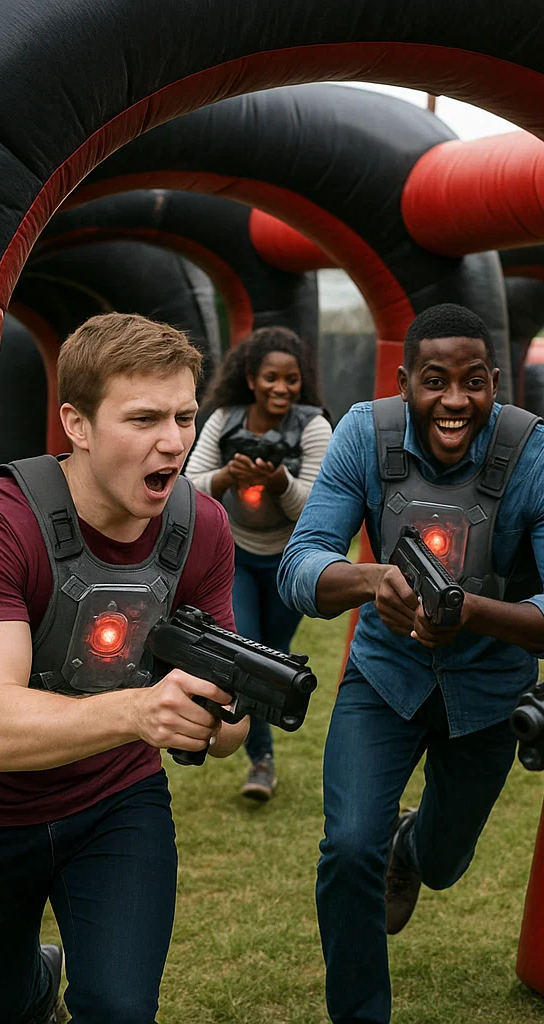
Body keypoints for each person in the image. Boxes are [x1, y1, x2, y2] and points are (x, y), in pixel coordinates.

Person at [278, 302, 544, 1024]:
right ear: (404, 383)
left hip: (490, 694)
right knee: (347, 849)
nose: (454, 400)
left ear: (496, 381)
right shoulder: (362, 437)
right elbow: (299, 569)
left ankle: (414, 843)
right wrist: (370, 582)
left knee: (446, 862)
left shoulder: (540, 456)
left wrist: (474, 611)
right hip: (382, 681)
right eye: (434, 380)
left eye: (472, 382)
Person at [0, 312, 249, 1024]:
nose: (174, 441)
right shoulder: (1, 524)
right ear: (77, 423)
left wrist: (222, 719)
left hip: (115, 801)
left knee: (120, 1009)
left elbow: (227, 725)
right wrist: (138, 711)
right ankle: (33, 983)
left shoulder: (202, 528)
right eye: (144, 418)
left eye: (186, 416)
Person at [186, 326, 331, 801]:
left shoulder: (314, 425)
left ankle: (264, 731)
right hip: (237, 556)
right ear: (251, 378)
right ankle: (261, 761)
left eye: (291, 380)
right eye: (271, 378)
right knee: (245, 650)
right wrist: (228, 476)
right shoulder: (225, 418)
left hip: (291, 560)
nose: (281, 389)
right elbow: (189, 487)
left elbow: (318, 504)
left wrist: (280, 483)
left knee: (271, 652)